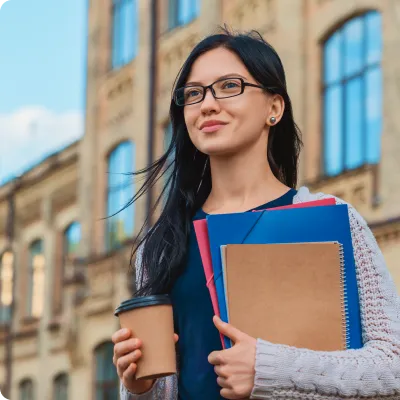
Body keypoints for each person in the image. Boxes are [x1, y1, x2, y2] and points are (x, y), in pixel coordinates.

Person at [112, 29, 400, 399]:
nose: (207, 104)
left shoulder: (328, 221)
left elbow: (391, 362)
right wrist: (138, 387)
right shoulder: (163, 244)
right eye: (194, 93)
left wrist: (267, 369)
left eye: (229, 86)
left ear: (274, 108)